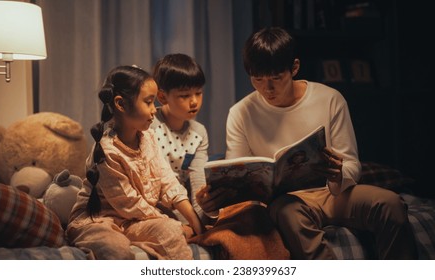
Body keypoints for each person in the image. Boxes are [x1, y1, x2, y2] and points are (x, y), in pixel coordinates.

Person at [197, 27, 416, 259]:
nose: (267, 89)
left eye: (276, 78)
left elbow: (352, 164)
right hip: (286, 203)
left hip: (334, 194)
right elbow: (239, 181)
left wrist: (338, 173)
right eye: (258, 79)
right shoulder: (241, 113)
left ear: (294, 67)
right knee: (289, 213)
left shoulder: (329, 99)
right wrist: (212, 203)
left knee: (390, 204)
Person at [66, 65, 205, 260]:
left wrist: (195, 222)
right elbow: (130, 204)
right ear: (121, 104)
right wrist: (175, 224)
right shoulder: (107, 150)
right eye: (148, 102)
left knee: (170, 232)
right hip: (98, 220)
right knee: (115, 247)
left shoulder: (148, 137)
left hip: (135, 220)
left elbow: (168, 182)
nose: (154, 110)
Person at [150, 53, 212, 225]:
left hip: (182, 202)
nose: (194, 102)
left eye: (198, 93)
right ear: (162, 97)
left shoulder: (198, 132)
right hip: (154, 200)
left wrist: (202, 212)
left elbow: (197, 178)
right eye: (184, 96)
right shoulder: (150, 124)